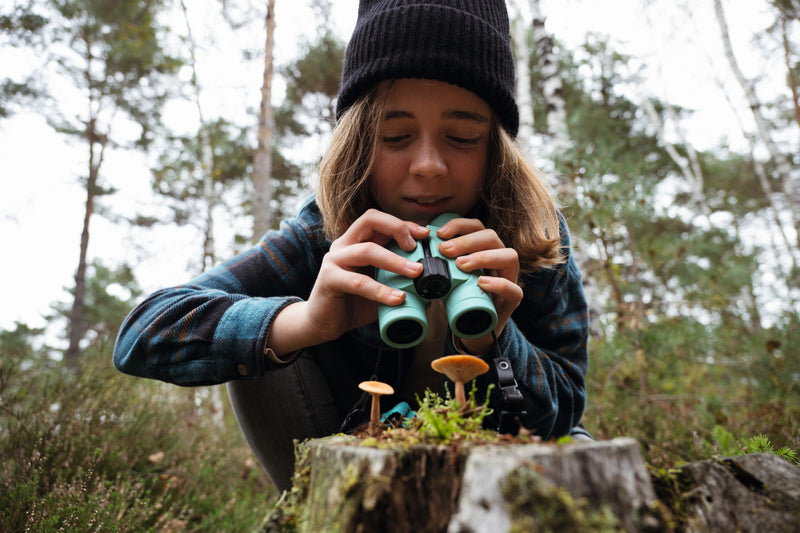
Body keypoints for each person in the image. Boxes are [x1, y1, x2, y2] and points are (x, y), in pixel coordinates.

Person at [113, 0, 590, 493]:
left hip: (506, 476)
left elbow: (565, 408)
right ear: (359, 141)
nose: (428, 165)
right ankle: (314, 512)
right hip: (348, 479)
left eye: (462, 136)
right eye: (395, 135)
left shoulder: (533, 235)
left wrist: (493, 342)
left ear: (496, 148)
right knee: (259, 337)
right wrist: (307, 322)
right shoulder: (325, 234)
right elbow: (142, 333)